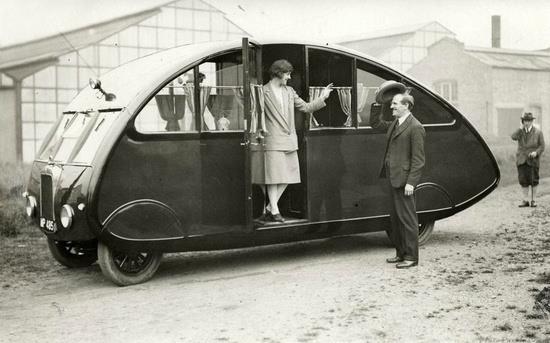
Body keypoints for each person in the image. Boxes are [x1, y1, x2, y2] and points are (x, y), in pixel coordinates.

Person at [253, 59, 332, 222]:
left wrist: (323, 96)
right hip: (272, 139)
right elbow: (253, 111)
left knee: (289, 176)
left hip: (288, 139)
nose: (289, 77)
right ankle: (274, 210)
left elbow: (306, 107)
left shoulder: (289, 91)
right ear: (279, 73)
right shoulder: (261, 91)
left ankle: (269, 208)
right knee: (273, 178)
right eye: (287, 74)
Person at [371, 92, 425, 269]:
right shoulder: (396, 122)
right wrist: (377, 102)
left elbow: (418, 160)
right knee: (395, 219)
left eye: (395, 104)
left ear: (406, 106)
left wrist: (411, 182)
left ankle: (411, 257)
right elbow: (376, 124)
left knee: (408, 220)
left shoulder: (415, 127)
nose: (391, 106)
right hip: (393, 178)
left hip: (404, 181)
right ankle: (401, 253)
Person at [511, 112, 545, 207]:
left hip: (532, 160)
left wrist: (536, 152)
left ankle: (534, 200)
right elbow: (513, 137)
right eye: (525, 121)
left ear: (532, 121)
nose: (527, 123)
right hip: (521, 159)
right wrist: (520, 129)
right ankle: (525, 200)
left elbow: (542, 146)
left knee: (533, 179)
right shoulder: (520, 132)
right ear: (523, 121)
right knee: (523, 180)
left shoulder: (538, 132)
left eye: (529, 121)